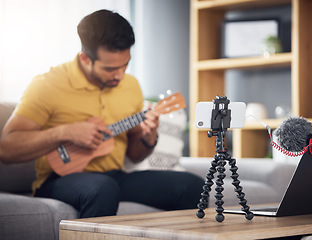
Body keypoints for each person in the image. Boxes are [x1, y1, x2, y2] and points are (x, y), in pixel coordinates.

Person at [0, 9, 204, 218]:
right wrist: (64, 132)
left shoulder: (131, 85)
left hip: (115, 177)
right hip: (57, 179)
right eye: (109, 68)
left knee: (193, 186)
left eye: (125, 64)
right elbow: (6, 149)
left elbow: (135, 155)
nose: (120, 74)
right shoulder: (47, 85)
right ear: (85, 59)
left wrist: (148, 138)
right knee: (102, 188)